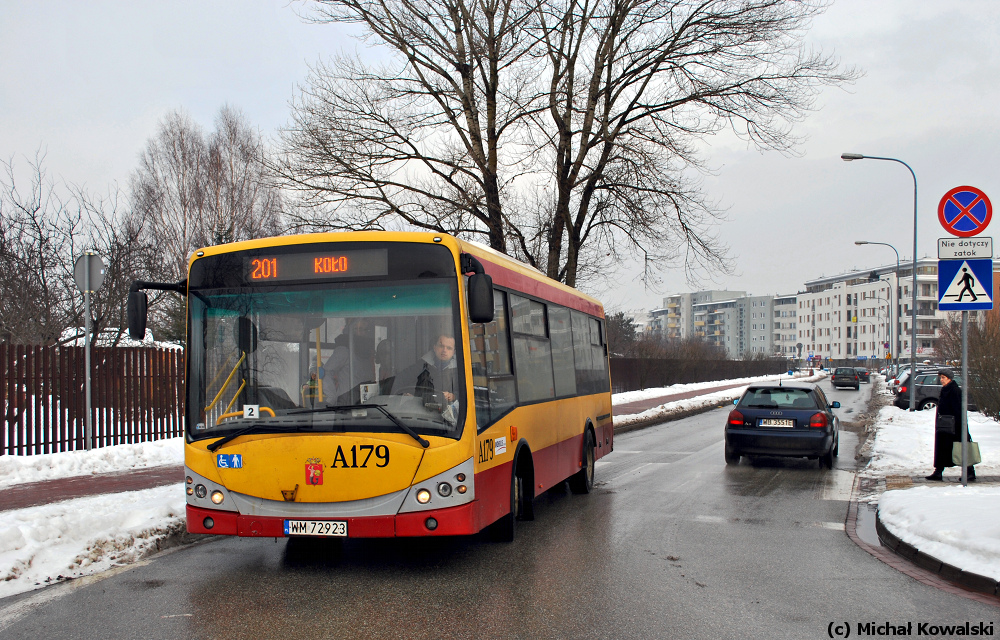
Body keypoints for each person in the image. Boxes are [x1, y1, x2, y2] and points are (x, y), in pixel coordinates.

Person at [926, 368, 976, 481]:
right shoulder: (945, 389)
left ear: (949, 378)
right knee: (942, 448)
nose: (941, 380)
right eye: (941, 378)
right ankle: (938, 471)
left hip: (955, 426)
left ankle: (970, 472)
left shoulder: (954, 391)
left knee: (961, 447)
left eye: (943, 378)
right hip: (944, 424)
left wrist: (960, 426)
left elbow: (959, 410)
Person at [391, 334, 458, 404]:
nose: (444, 350)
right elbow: (400, 380)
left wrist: (453, 396)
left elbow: (466, 393)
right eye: (441, 346)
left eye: (449, 348)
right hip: (421, 410)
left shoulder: (460, 370)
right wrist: (405, 395)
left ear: (454, 352)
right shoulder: (421, 366)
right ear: (434, 348)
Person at [324, 319, 376, 405]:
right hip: (346, 406)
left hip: (366, 404)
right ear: (350, 330)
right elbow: (326, 371)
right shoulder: (344, 350)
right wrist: (332, 398)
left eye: (365, 330)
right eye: (358, 329)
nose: (362, 333)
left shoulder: (366, 353)